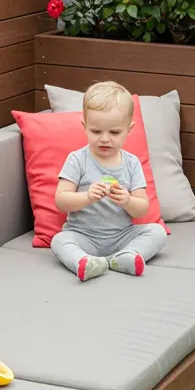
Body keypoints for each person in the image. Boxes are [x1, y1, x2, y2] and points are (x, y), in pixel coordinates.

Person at [52, 80, 167, 281]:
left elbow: (142, 209)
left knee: (157, 232)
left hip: (122, 235)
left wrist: (127, 201)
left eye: (114, 132)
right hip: (83, 235)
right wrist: (87, 197)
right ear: (85, 127)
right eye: (96, 131)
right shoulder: (77, 159)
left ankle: (125, 256)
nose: (105, 139)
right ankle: (86, 262)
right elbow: (61, 201)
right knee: (59, 241)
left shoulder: (132, 163)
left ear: (129, 129)